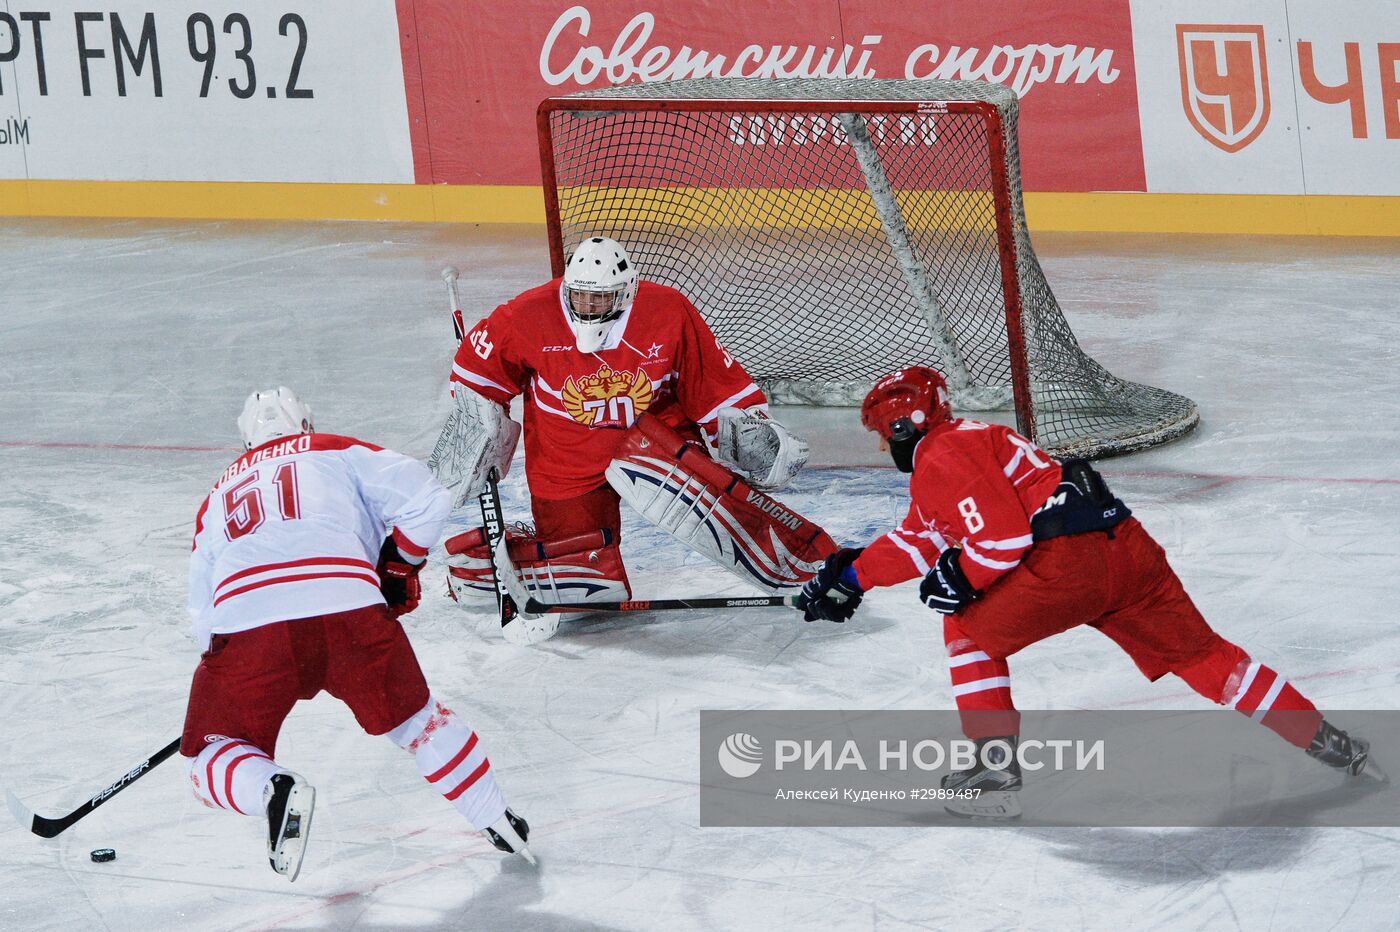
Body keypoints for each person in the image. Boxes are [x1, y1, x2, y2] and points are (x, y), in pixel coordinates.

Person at [796, 365, 1372, 818]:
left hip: (1067, 566)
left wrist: (963, 579)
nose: (881, 448)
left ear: (903, 427)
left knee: (966, 631)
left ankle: (996, 778)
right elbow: (923, 538)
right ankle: (1329, 741)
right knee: (1204, 656)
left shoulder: (940, 453)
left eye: (882, 435)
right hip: (1125, 550)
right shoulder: (976, 439)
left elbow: (998, 542)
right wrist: (849, 579)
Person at [183, 387, 532, 881]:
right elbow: (428, 499)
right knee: (418, 722)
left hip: (250, 622)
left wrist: (220, 681)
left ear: (246, 446)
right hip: (348, 608)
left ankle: (270, 787)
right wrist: (396, 567)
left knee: (211, 755)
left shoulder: (217, 496)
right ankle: (497, 819)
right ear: (305, 424)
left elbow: (202, 609)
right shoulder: (333, 448)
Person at [430, 236, 832, 621]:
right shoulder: (528, 314)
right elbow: (475, 372)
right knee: (586, 582)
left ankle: (796, 559)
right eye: (580, 295)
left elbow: (710, 383)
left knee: (715, 498)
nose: (588, 306)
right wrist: (479, 429)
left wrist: (745, 427)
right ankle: (503, 558)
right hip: (565, 456)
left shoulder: (667, 310)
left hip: (653, 439)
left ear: (626, 292)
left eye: (600, 297)